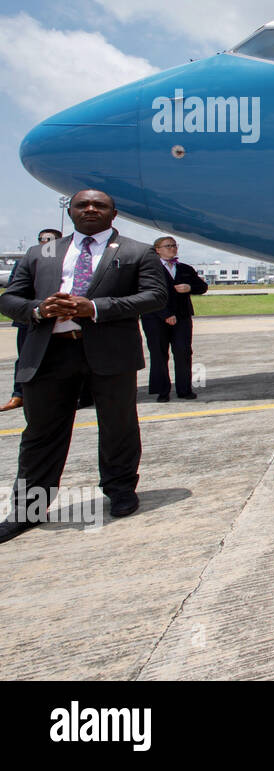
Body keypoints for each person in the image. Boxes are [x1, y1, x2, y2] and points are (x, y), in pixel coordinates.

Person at [0, 190, 168, 543]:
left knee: (118, 426)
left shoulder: (137, 252)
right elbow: (10, 298)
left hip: (109, 352)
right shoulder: (40, 253)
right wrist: (37, 310)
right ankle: (28, 510)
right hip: (49, 352)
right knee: (41, 433)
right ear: (71, 211)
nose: (90, 209)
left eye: (99, 205)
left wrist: (93, 307)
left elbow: (155, 296)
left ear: (114, 213)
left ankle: (121, 491)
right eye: (82, 205)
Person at [141, 236, 208, 402]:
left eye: (174, 245)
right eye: (168, 246)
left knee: (183, 352)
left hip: (182, 317)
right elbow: (146, 294)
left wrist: (190, 287)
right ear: (157, 249)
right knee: (159, 354)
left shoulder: (184, 268)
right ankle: (162, 391)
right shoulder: (149, 269)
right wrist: (165, 314)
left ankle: (184, 389)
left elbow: (202, 287)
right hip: (156, 318)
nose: (172, 248)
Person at [2, 228, 61, 413]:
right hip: (30, 318)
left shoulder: (67, 259)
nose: (46, 243)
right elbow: (14, 291)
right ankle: (18, 395)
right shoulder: (26, 261)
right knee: (25, 358)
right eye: (42, 239)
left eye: (50, 239)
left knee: (59, 358)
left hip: (58, 318)